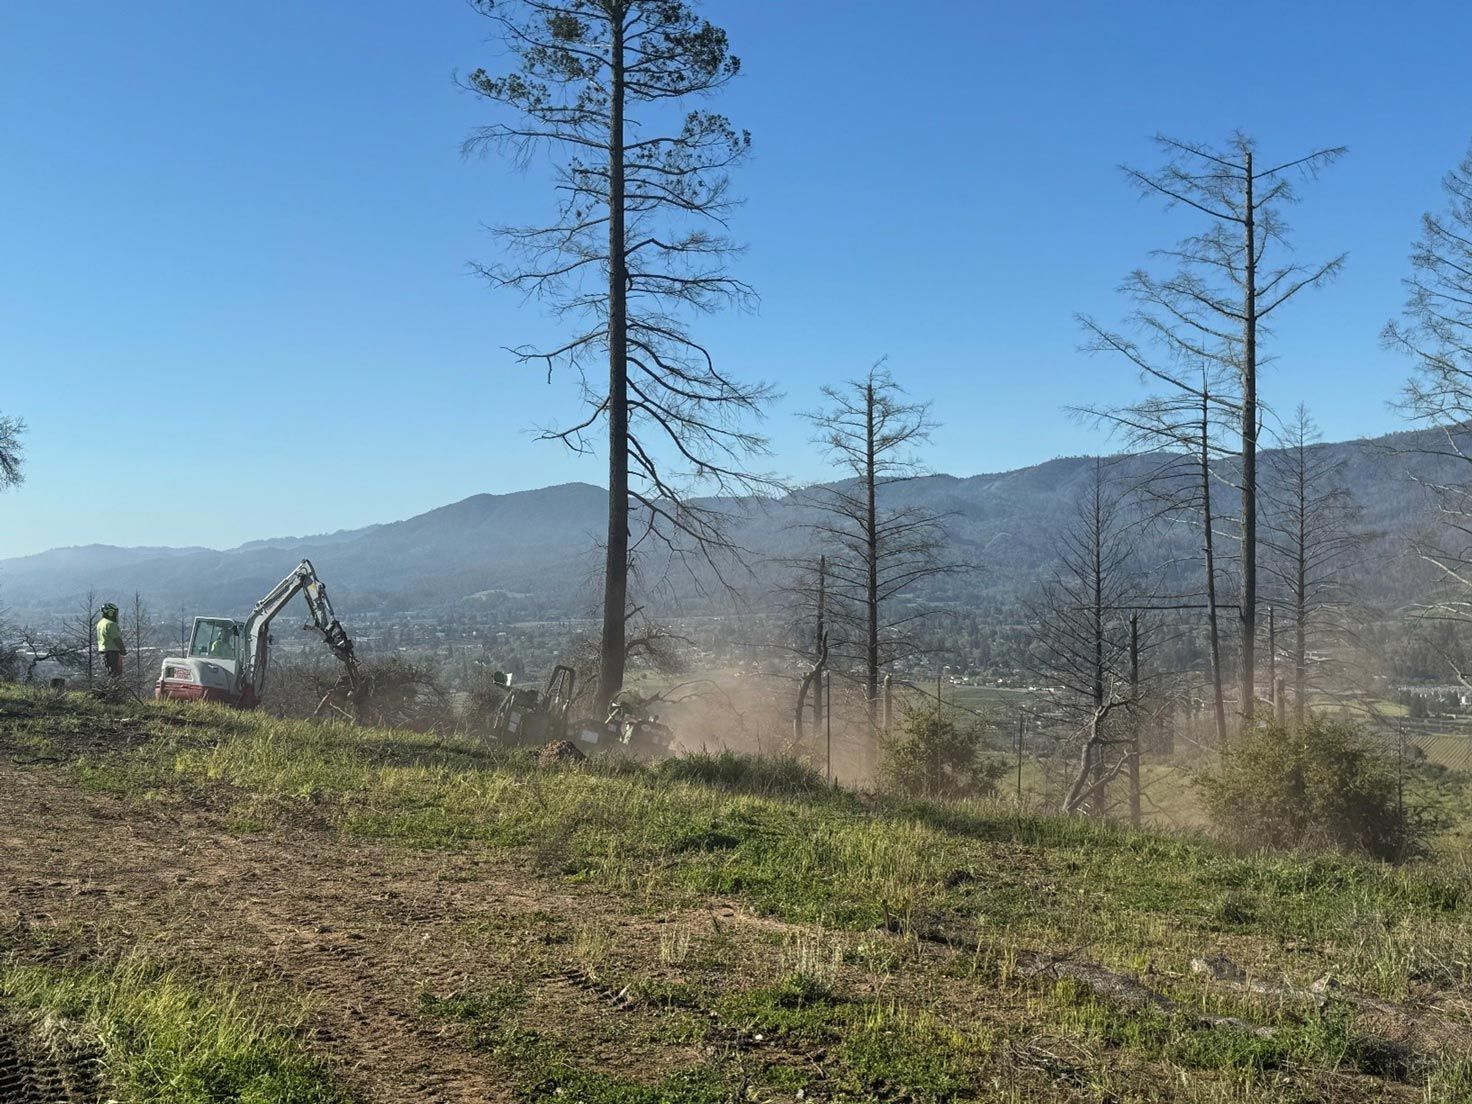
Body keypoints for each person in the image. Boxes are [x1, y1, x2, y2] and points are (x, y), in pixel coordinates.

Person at [96, 602, 126, 679]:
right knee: (115, 673)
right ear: (110, 613)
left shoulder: (100, 623)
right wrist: (123, 650)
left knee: (107, 673)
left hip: (102, 651)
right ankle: (114, 689)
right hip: (112, 652)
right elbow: (116, 639)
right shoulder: (111, 624)